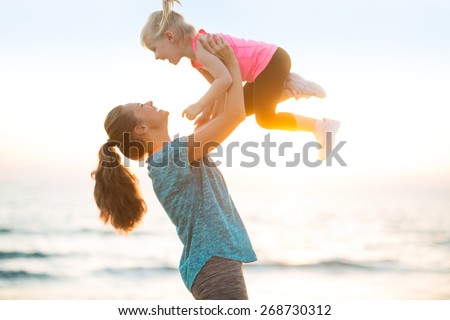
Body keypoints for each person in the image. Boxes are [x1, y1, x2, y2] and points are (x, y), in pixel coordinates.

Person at [92, 35, 256, 300]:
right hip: (213, 263)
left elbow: (226, 106)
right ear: (141, 129)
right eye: (140, 106)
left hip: (213, 262)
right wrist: (232, 65)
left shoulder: (173, 153)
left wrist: (212, 65)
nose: (147, 101)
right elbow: (235, 114)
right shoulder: (170, 159)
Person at [140, 0, 340, 160]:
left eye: (154, 49)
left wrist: (199, 105)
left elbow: (225, 79)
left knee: (266, 119)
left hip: (271, 63)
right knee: (240, 107)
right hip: (268, 67)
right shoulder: (196, 59)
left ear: (169, 37)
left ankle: (320, 126)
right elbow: (220, 89)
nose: (156, 56)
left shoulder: (201, 46)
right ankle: (289, 85)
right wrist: (209, 117)